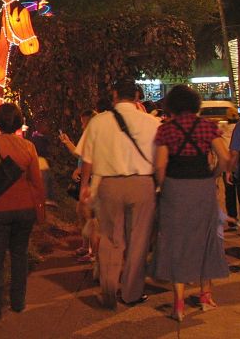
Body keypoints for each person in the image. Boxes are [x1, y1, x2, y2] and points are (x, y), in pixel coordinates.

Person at [76, 78, 160, 309]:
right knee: (138, 241)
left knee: (110, 239)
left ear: (114, 95)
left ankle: (109, 289)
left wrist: (84, 186)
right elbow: (160, 158)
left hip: (110, 185)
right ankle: (132, 293)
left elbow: (87, 158)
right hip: (143, 184)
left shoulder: (98, 122)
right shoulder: (152, 123)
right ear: (137, 97)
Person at [150, 85, 231, 322]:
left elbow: (160, 166)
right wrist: (213, 175)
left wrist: (163, 186)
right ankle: (205, 296)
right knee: (206, 237)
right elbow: (225, 158)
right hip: (202, 186)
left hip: (175, 187)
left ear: (171, 105)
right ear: (195, 104)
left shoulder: (165, 129)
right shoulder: (207, 126)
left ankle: (178, 303)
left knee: (176, 240)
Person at [0, 103, 45, 320]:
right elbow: (36, 182)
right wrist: (40, 211)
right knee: (19, 255)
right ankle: (18, 302)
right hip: (25, 210)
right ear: (18, 122)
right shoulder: (29, 147)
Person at [59, 109, 96, 262]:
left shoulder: (93, 135)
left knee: (88, 215)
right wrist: (67, 142)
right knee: (82, 212)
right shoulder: (89, 135)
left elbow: (90, 159)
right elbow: (80, 154)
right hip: (86, 178)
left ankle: (92, 251)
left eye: (83, 122)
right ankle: (86, 246)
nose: (82, 126)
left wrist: (81, 170)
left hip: (91, 179)